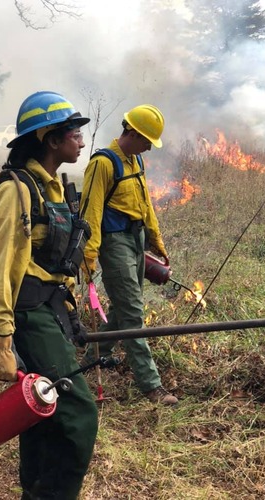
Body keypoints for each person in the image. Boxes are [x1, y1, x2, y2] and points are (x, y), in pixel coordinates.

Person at [0, 90, 98, 500]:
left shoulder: (55, 189)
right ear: (51, 139)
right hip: (29, 315)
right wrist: (2, 341)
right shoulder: (16, 191)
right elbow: (1, 269)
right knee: (79, 416)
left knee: (41, 412)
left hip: (52, 313)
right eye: (74, 132)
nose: (81, 140)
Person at [80, 104, 178, 406]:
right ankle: (151, 386)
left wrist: (156, 242)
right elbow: (91, 211)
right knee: (134, 312)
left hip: (135, 240)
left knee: (123, 311)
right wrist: (89, 255)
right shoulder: (103, 163)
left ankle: (92, 356)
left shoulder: (136, 161)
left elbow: (146, 205)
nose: (149, 147)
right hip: (114, 243)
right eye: (147, 140)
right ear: (132, 132)